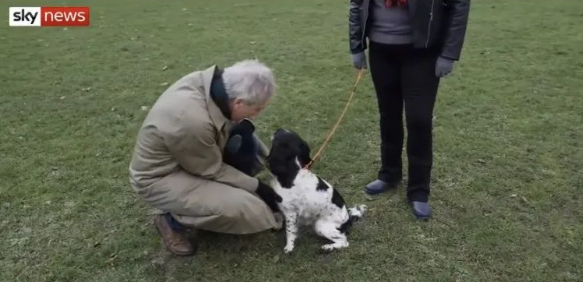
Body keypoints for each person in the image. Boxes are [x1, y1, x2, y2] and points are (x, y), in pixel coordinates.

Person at [128, 59, 283, 256]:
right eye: (258, 109)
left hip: (193, 157)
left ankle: (217, 196)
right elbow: (211, 169)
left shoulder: (214, 86)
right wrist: (259, 188)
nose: (257, 115)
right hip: (162, 177)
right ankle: (171, 220)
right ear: (238, 102)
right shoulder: (190, 120)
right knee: (247, 208)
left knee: (249, 146)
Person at [349, 0, 470, 219]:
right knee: (388, 115)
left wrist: (449, 53)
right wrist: (356, 45)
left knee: (419, 120)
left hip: (423, 52)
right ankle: (389, 174)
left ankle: (419, 190)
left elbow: (459, 5)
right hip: (381, 51)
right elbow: (357, 4)